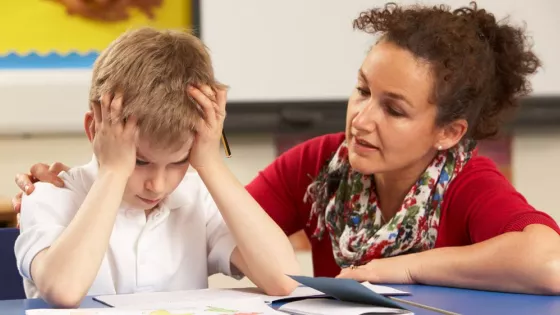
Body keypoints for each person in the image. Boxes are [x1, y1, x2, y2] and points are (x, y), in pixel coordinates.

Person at [14, 2, 560, 295]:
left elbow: (549, 261)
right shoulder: (323, 164)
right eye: (362, 90)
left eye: (393, 109)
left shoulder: (467, 183)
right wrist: (109, 176)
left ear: (448, 133)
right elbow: (249, 239)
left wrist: (410, 269)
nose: (362, 119)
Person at [12, 27, 299, 308]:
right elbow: (64, 290)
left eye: (178, 162)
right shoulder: (49, 194)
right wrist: (114, 171)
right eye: (139, 161)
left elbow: (285, 281)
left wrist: (210, 162)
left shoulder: (197, 198)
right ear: (94, 130)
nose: (157, 185)